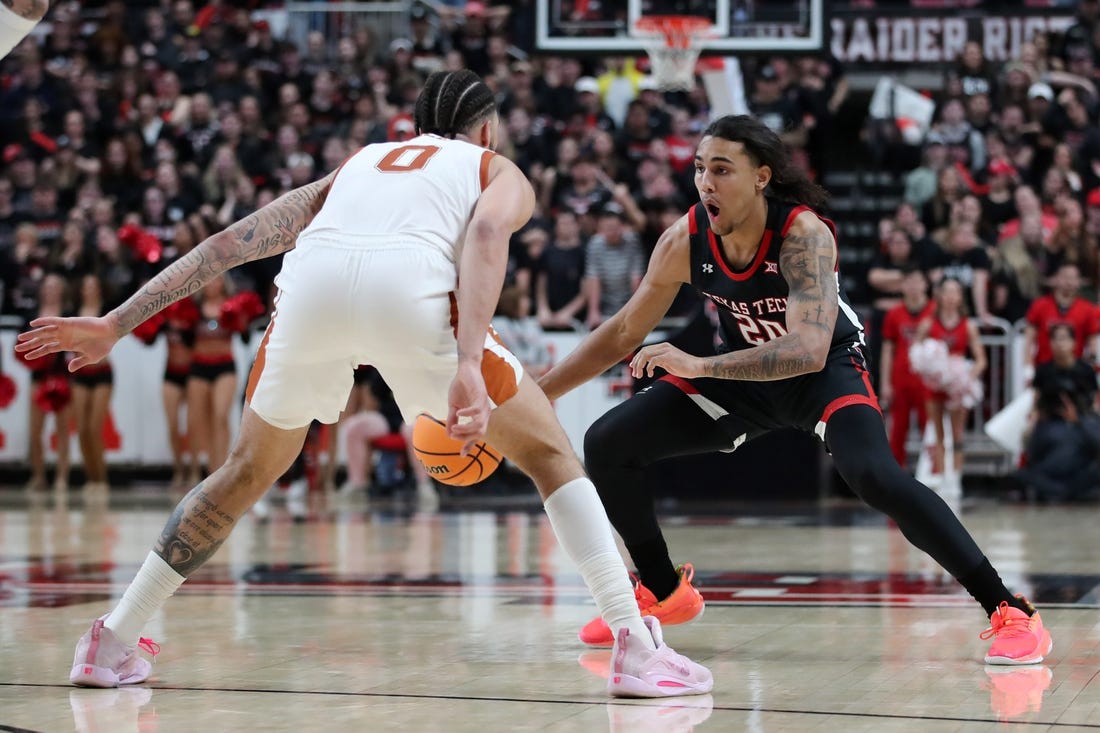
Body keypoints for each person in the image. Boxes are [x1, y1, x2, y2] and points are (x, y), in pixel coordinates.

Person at [17, 70, 711, 699]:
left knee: (243, 470)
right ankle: (634, 643)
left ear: (411, 128)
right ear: (488, 130)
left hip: (312, 287)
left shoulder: (359, 164)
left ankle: (111, 637)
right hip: (411, 288)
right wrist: (469, 358)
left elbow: (233, 243)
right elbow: (489, 236)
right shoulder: (493, 167)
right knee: (551, 456)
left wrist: (117, 321)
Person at [537, 115, 1052, 666]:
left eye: (721, 169)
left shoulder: (804, 235)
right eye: (699, 169)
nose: (706, 182)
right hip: (742, 381)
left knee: (875, 476)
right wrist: (535, 395)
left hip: (824, 370)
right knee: (609, 442)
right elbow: (621, 332)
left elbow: (805, 349)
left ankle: (1009, 608)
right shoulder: (684, 240)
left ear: (761, 177)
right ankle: (663, 592)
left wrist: (699, 365)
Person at [914, 277, 987, 493]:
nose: (951, 297)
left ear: (960, 297)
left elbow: (981, 360)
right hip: (935, 386)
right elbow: (916, 354)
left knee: (957, 433)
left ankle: (955, 478)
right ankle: (942, 475)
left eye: (955, 292)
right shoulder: (928, 323)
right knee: (938, 433)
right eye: (947, 292)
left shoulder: (969, 325)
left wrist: (966, 377)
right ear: (939, 296)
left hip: (957, 387)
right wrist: (930, 371)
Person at [1015, 323, 1100, 503]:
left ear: (1074, 343)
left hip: (1079, 424)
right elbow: (1036, 401)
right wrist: (1034, 418)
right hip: (1050, 424)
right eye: (1055, 339)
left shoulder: (1085, 371)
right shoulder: (1044, 371)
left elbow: (1092, 404)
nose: (1059, 344)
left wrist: (1080, 418)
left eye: (1064, 338)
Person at [879, 266, 932, 470]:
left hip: (926, 379)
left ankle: (930, 473)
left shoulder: (934, 310)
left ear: (925, 285)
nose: (913, 286)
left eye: (917, 281)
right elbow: (887, 349)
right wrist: (885, 382)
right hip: (900, 378)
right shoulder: (894, 314)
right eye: (908, 282)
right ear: (902, 286)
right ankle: (895, 474)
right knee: (898, 430)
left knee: (930, 428)